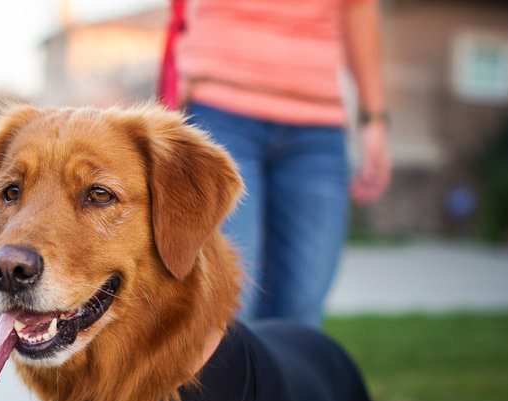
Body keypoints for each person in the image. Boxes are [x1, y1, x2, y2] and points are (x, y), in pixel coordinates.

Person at [160, 0, 391, 327]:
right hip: (220, 106)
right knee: (228, 310)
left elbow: (358, 6)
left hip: (318, 123)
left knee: (302, 314)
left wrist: (374, 118)